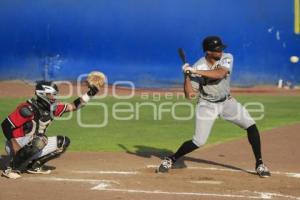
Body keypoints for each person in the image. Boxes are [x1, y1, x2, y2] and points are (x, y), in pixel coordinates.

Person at [157, 36, 271, 178]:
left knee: (251, 125)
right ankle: (171, 159)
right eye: (217, 50)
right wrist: (186, 76)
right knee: (198, 141)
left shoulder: (226, 57)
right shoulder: (198, 66)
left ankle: (259, 164)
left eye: (221, 48)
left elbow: (220, 73)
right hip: (207, 105)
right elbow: (190, 96)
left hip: (227, 102)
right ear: (208, 52)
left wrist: (194, 71)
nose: (220, 51)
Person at [1, 81, 98, 179]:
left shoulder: (52, 108)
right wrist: (14, 144)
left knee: (63, 142)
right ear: (42, 94)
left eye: (54, 94)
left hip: (35, 142)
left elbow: (73, 106)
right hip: (17, 142)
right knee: (40, 140)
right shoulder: (27, 109)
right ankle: (11, 169)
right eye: (51, 94)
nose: (54, 97)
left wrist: (90, 93)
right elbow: (5, 125)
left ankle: (34, 166)